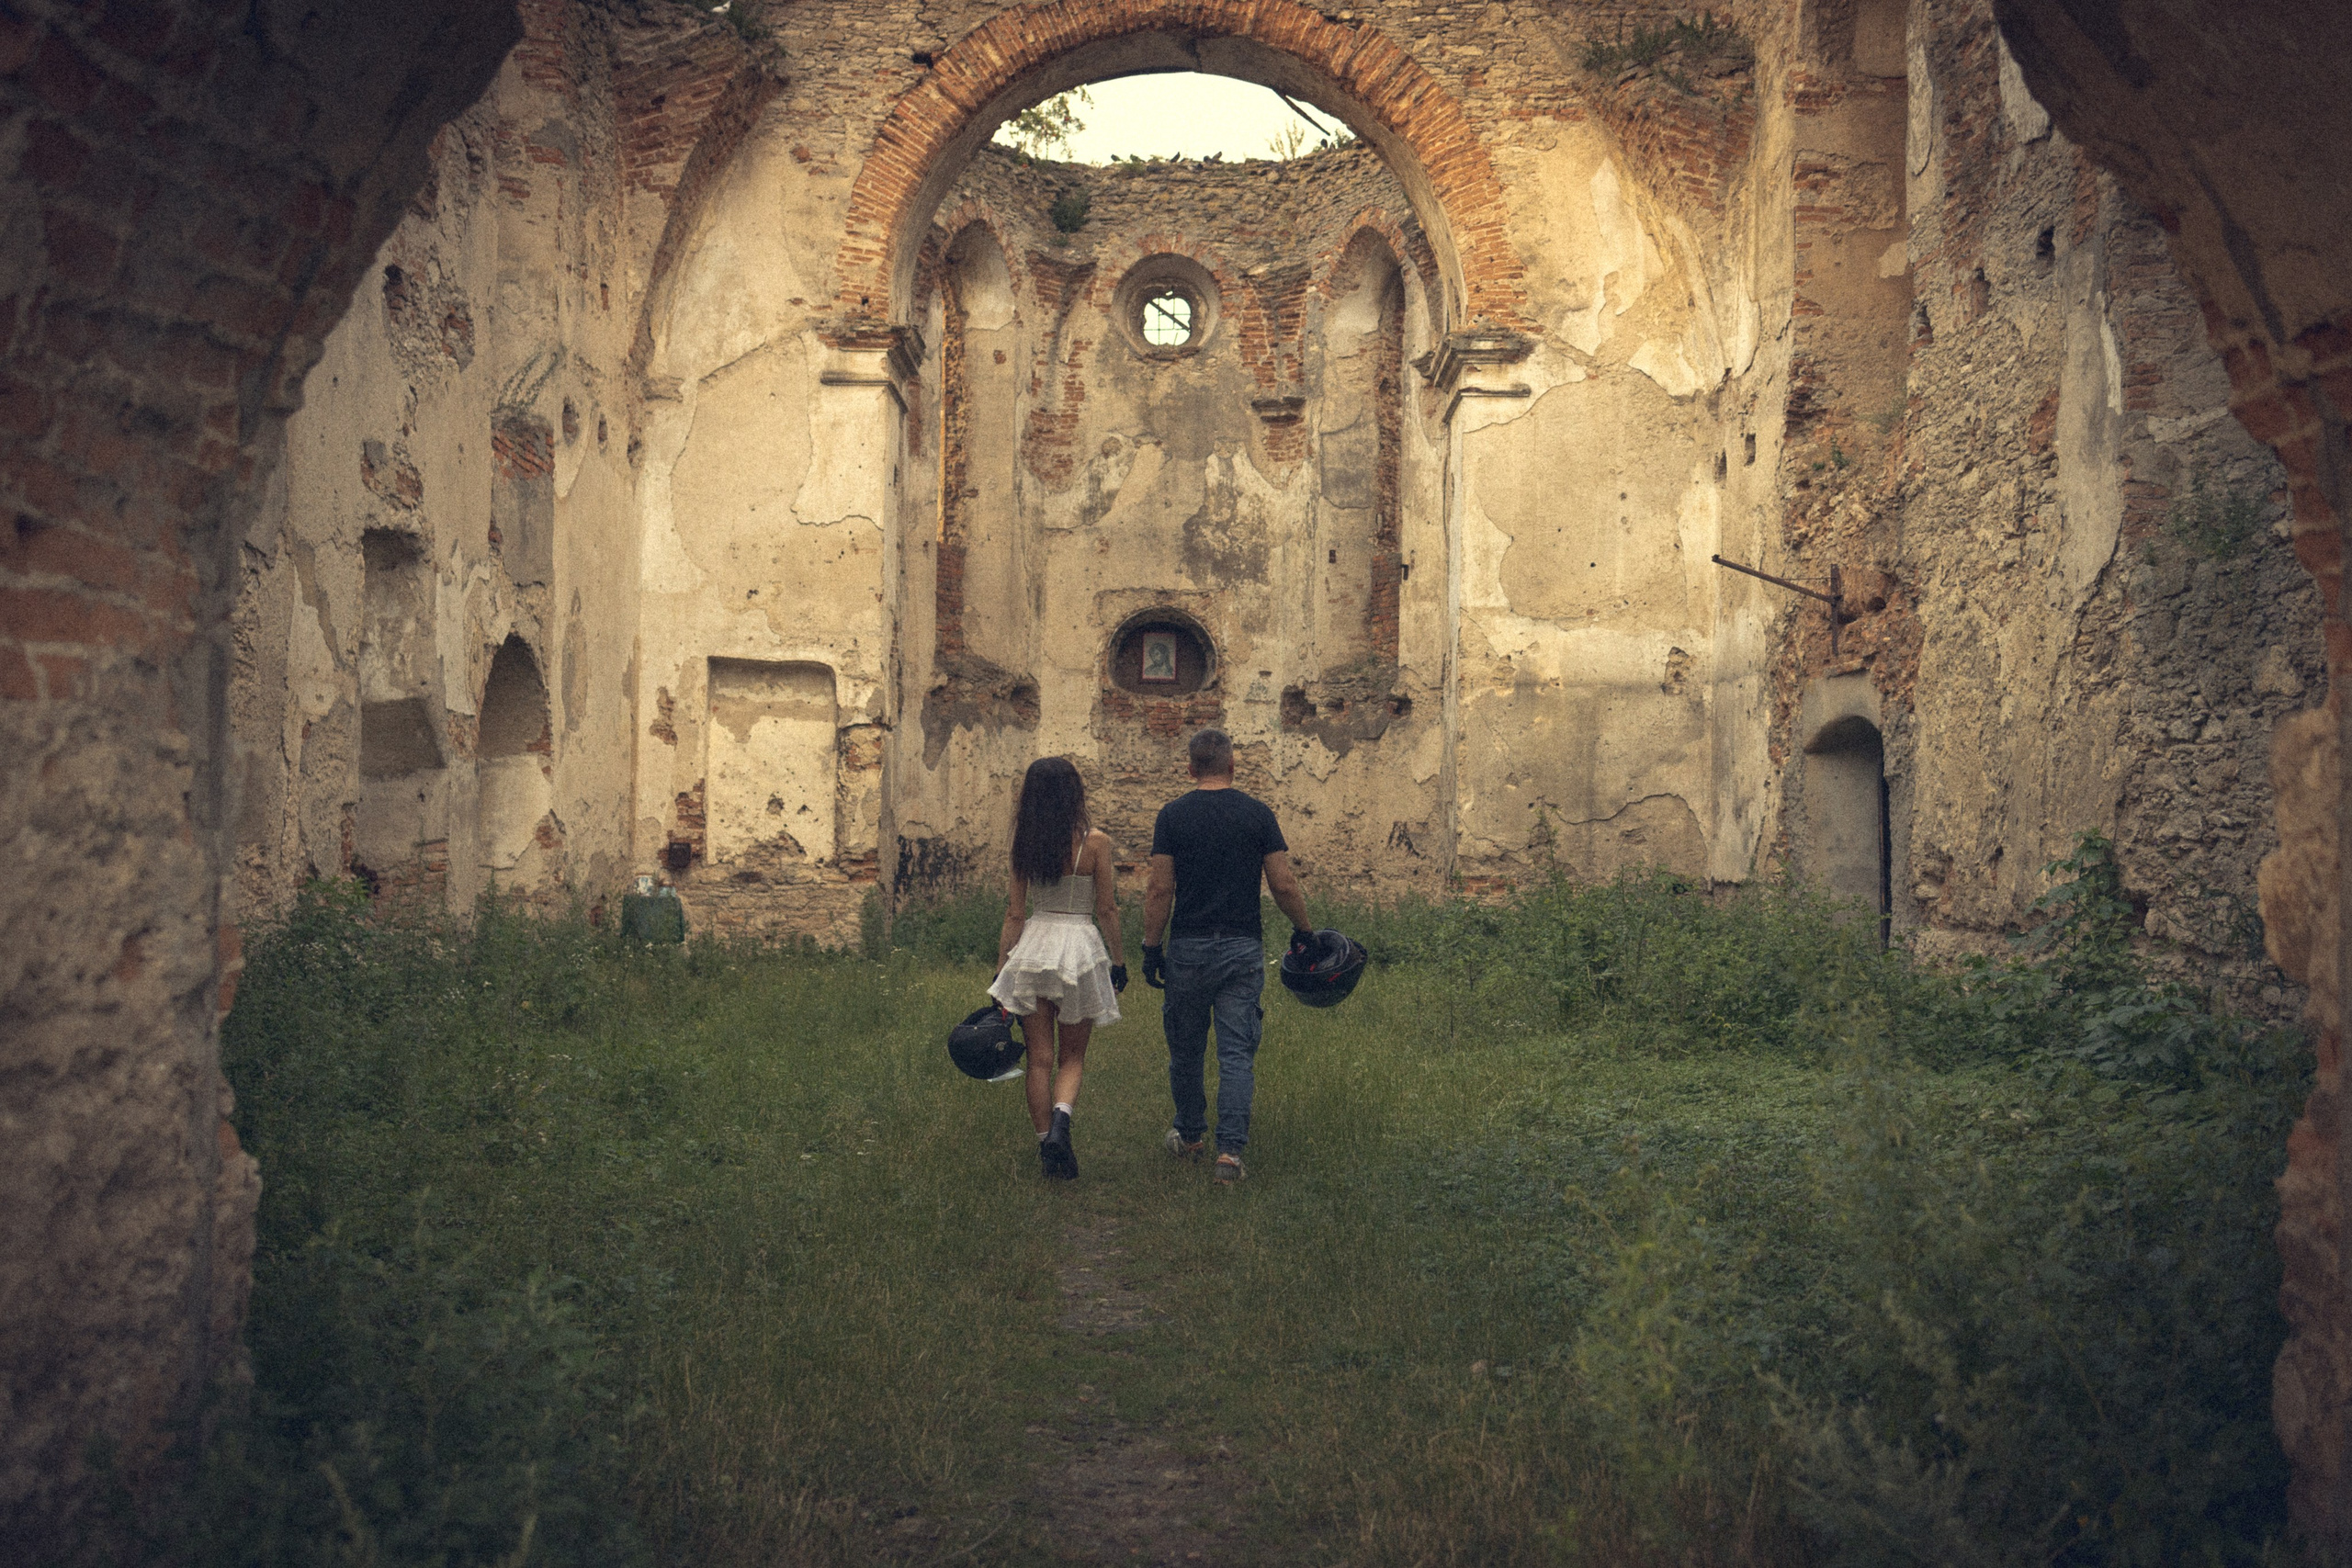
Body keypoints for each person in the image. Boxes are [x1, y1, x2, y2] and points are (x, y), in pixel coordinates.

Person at [1140, 728, 1315, 1184]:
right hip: (1241, 948)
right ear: (1233, 767)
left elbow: (1160, 888)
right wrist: (1305, 930)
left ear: (1190, 768)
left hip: (1188, 948)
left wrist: (1151, 947)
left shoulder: (1172, 816)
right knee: (1237, 1053)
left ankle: (1191, 1135)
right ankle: (1230, 1156)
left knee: (1186, 1050)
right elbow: (1283, 883)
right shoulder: (1258, 814)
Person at [989, 757, 1128, 1180]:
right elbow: (1106, 908)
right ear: (1075, 793)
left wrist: (1000, 975)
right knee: (1072, 1057)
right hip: (1079, 951)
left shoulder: (1025, 846)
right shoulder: (1096, 843)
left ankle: (1044, 1140)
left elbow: (1015, 915)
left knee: (1039, 1060)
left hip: (1034, 949)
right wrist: (1119, 961)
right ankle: (1061, 1126)